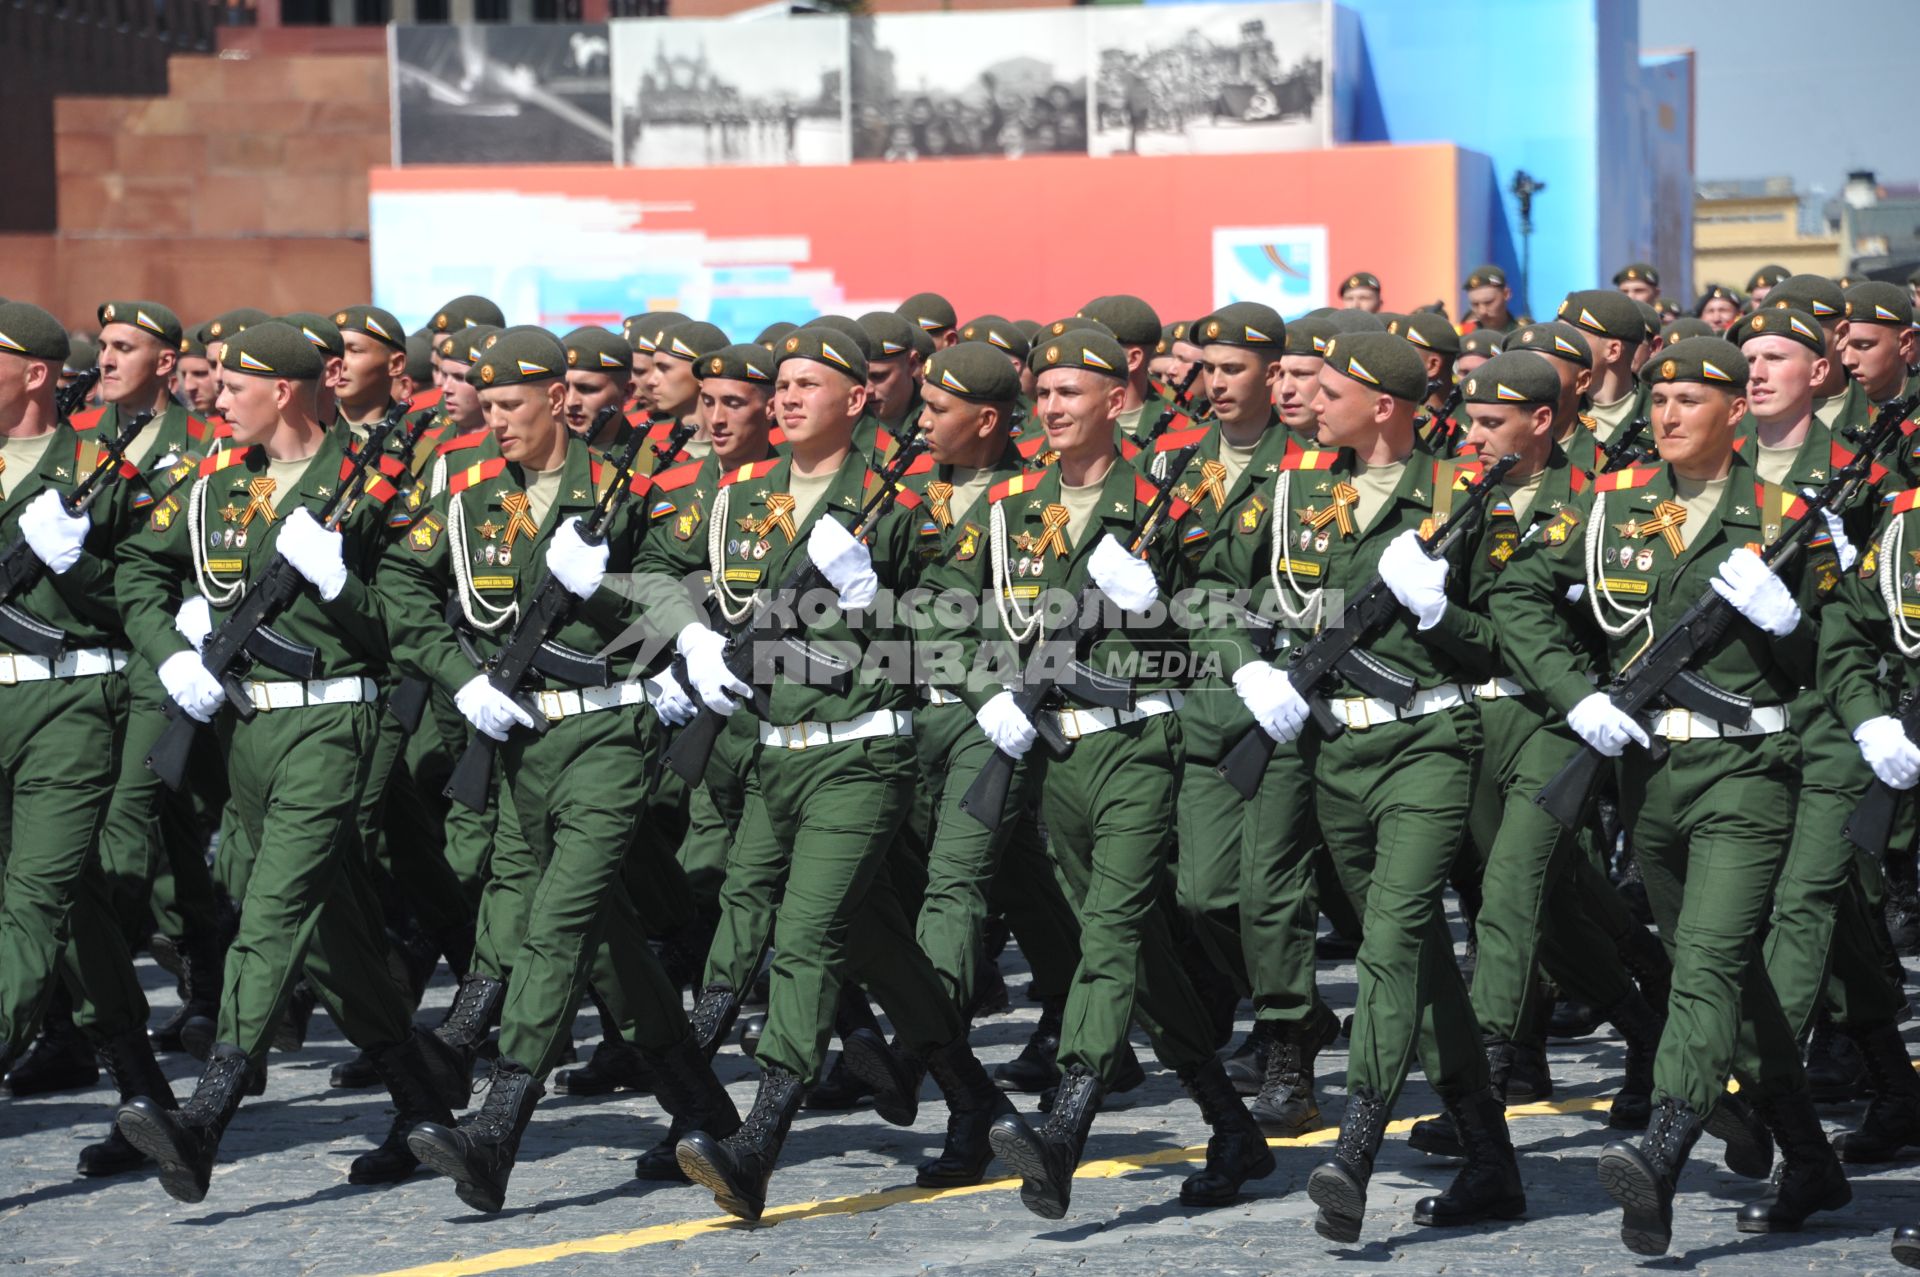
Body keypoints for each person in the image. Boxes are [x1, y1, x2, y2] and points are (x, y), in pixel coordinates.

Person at [1493, 337, 1847, 1255]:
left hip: (1746, 773)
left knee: (1709, 961)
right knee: (1724, 972)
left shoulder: (1782, 515)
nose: (1668, 415)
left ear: (1735, 411)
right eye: (1659, 400)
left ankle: (1664, 1144)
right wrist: (1583, 695)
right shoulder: (1610, 505)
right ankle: (1809, 1156)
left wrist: (1791, 621)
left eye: (1691, 399)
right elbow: (1519, 595)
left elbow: (1838, 665)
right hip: (1650, 775)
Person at [919, 327, 1272, 1219]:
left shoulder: (1161, 494)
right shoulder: (1009, 506)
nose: (1053, 409)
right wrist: (985, 690)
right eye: (1044, 395)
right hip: (1052, 752)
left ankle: (1067, 1118)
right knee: (1139, 956)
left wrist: (1159, 606)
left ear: (1118, 400)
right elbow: (944, 612)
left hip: (1137, 743)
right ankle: (1232, 1125)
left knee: (1111, 934)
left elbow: (1223, 613)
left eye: (1071, 394)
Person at [385, 327, 740, 1212]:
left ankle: (500, 1121)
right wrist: (461, 679)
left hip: (606, 739)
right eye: (490, 404)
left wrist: (608, 586)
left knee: (556, 925)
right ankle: (703, 1104)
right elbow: (400, 581)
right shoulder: (467, 489)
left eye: (512, 406)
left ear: (556, 401)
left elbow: (685, 586)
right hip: (513, 747)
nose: (495, 420)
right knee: (607, 947)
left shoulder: (625, 491)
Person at [114, 320, 467, 1202]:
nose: (214, 397)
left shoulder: (369, 483)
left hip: (330, 726)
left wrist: (344, 585)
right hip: (242, 735)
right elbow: (134, 571)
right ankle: (427, 1108)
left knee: (269, 916)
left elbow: (409, 625)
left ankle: (206, 1117)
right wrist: (173, 652)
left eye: (234, 385)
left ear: (287, 390)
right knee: (337, 940)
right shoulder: (212, 483)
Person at [673, 327, 1007, 1222]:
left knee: (809, 937)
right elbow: (670, 571)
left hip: (861, 750)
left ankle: (758, 1141)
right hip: (771, 756)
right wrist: (693, 632)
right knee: (877, 951)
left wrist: (878, 600)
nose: (782, 399)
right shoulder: (742, 498)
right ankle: (976, 1102)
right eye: (778, 384)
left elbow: (959, 611)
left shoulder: (898, 502)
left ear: (856, 400)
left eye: (805, 385)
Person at [0, 300, 180, 1177]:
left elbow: (164, 600)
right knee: (78, 908)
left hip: (70, 707)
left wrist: (82, 564)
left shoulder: (96, 465)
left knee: (33, 905)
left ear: (34, 373)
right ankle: (147, 1090)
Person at [1462, 264, 1525, 335]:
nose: (1482, 312)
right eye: (1475, 304)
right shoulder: (1461, 334)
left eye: (1488, 302)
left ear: (1506, 294)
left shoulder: (1524, 333)